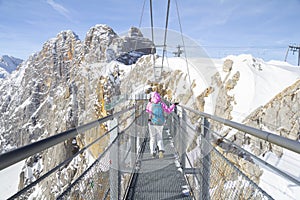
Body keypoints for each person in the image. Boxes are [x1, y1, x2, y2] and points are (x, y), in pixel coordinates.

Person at [146, 91, 178, 158]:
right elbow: (168, 110)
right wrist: (173, 105)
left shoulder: (150, 104)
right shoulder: (161, 103)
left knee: (152, 138)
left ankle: (153, 152)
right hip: (160, 123)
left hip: (152, 123)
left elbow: (148, 111)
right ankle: (161, 150)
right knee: (159, 137)